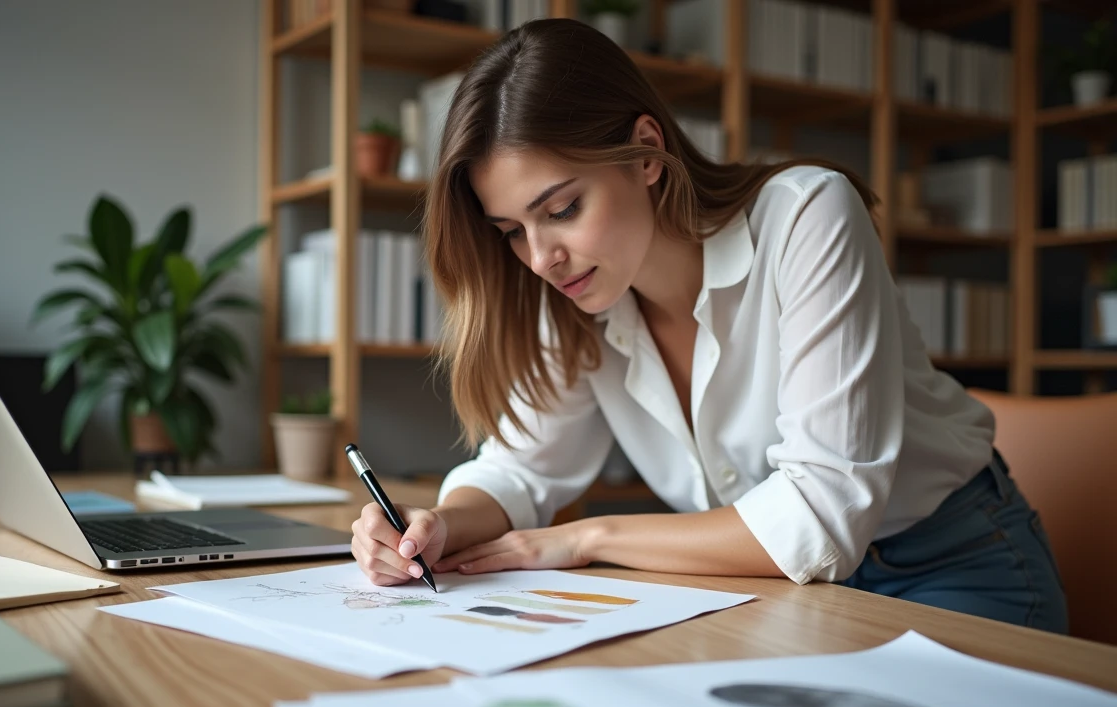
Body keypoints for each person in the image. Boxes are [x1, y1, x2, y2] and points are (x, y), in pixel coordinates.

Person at [349, 18, 1067, 633]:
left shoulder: (806, 216)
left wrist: (587, 538)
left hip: (953, 565)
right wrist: (440, 525)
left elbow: (821, 515)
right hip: (784, 594)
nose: (540, 257)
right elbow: (520, 470)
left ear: (646, 152)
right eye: (512, 230)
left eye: (562, 209)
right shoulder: (576, 292)